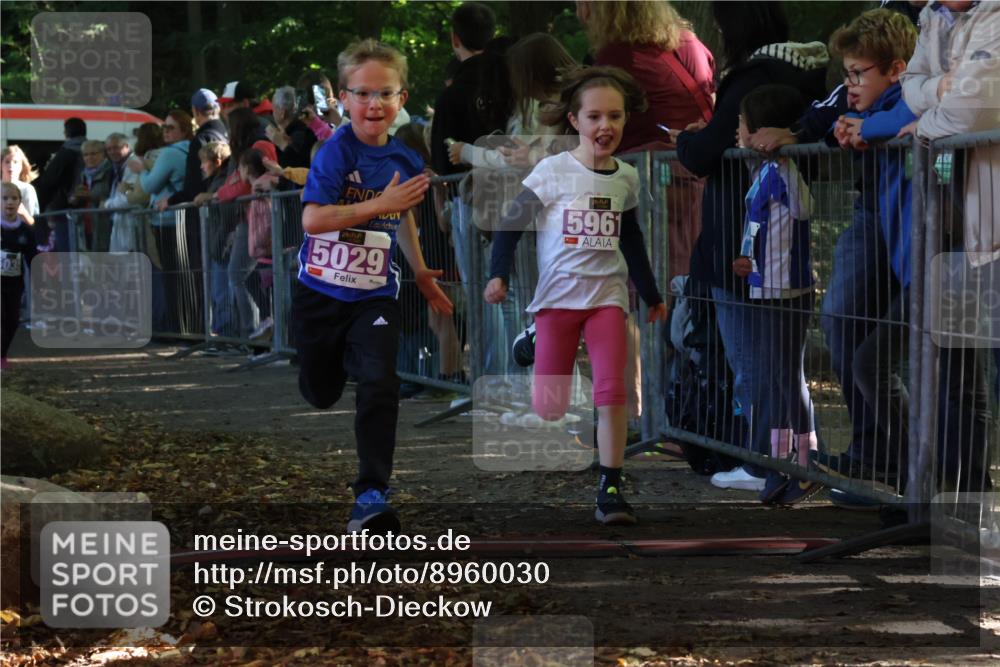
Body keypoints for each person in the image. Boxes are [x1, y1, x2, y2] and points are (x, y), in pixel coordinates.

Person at [485, 66, 667, 525]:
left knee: (612, 392)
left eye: (615, 116)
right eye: (594, 116)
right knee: (551, 406)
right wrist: (497, 275)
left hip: (608, 296)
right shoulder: (553, 171)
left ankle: (610, 489)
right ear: (574, 121)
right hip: (558, 300)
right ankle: (531, 336)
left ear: (626, 120)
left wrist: (650, 294)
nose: (605, 126)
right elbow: (511, 222)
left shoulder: (626, 177)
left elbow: (633, 239)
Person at [293, 39, 453, 532]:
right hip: (320, 292)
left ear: (402, 99)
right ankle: (334, 361)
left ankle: (371, 495)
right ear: (343, 98)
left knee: (382, 382)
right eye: (362, 94)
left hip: (375, 293)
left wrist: (421, 272)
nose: (373, 104)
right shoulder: (334, 152)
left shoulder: (403, 156)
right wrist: (375, 204)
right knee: (320, 393)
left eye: (385, 93)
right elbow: (314, 219)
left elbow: (401, 216)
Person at [675, 1, 828, 493]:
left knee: (756, 367)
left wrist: (686, 141)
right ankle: (799, 461)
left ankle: (766, 461)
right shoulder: (807, 76)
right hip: (786, 262)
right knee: (787, 371)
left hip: (742, 255)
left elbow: (703, 152)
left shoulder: (752, 78)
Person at [730, 84, 819, 505]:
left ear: (761, 129)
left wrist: (785, 160)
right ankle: (781, 461)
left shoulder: (784, 169)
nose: (737, 130)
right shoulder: (761, 170)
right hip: (763, 288)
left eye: (743, 123)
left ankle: (806, 461)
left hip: (787, 291)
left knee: (788, 378)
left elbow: (804, 210)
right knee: (774, 377)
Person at [131, 110, 193, 334]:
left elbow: (149, 186)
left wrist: (142, 171)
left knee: (171, 276)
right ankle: (183, 326)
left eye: (170, 128)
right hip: (183, 219)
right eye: (163, 128)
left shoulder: (170, 154)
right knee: (183, 275)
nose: (165, 132)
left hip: (166, 221)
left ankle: (175, 327)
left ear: (183, 130)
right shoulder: (190, 150)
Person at [194, 141, 235, 337]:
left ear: (217, 161)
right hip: (219, 242)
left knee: (222, 292)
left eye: (204, 162)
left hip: (223, 244)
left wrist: (219, 245)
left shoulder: (223, 181)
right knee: (219, 291)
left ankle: (227, 336)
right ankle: (223, 333)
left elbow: (226, 214)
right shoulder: (218, 180)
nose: (201, 167)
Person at [33, 117, 87, 251]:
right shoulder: (92, 150)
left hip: (64, 208)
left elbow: (49, 181)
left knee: (65, 250)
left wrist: (46, 204)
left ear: (66, 133)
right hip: (90, 210)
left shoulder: (65, 153)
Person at [1, 182, 38, 369]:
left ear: (19, 202)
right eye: (5, 198)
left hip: (14, 282)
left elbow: (32, 255)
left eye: (14, 198)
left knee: (12, 320)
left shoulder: (25, 230)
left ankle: (2, 354)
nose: (9, 202)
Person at [68, 140, 113, 251]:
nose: (89, 158)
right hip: (86, 226)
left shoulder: (111, 171)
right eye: (86, 155)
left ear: (103, 154)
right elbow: (75, 197)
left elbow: (113, 197)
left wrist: (91, 196)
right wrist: (75, 199)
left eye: (93, 154)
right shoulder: (83, 174)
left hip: (105, 227)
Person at [267, 86, 317, 169]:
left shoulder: (299, 135)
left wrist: (282, 145)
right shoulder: (304, 129)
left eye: (274, 109)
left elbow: (297, 169)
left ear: (281, 112)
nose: (272, 113)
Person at [2, 145, 40, 220]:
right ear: (1, 164)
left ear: (21, 166)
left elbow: (33, 222)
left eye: (15, 162)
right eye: (7, 162)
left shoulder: (27, 189)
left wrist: (23, 213)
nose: (11, 165)